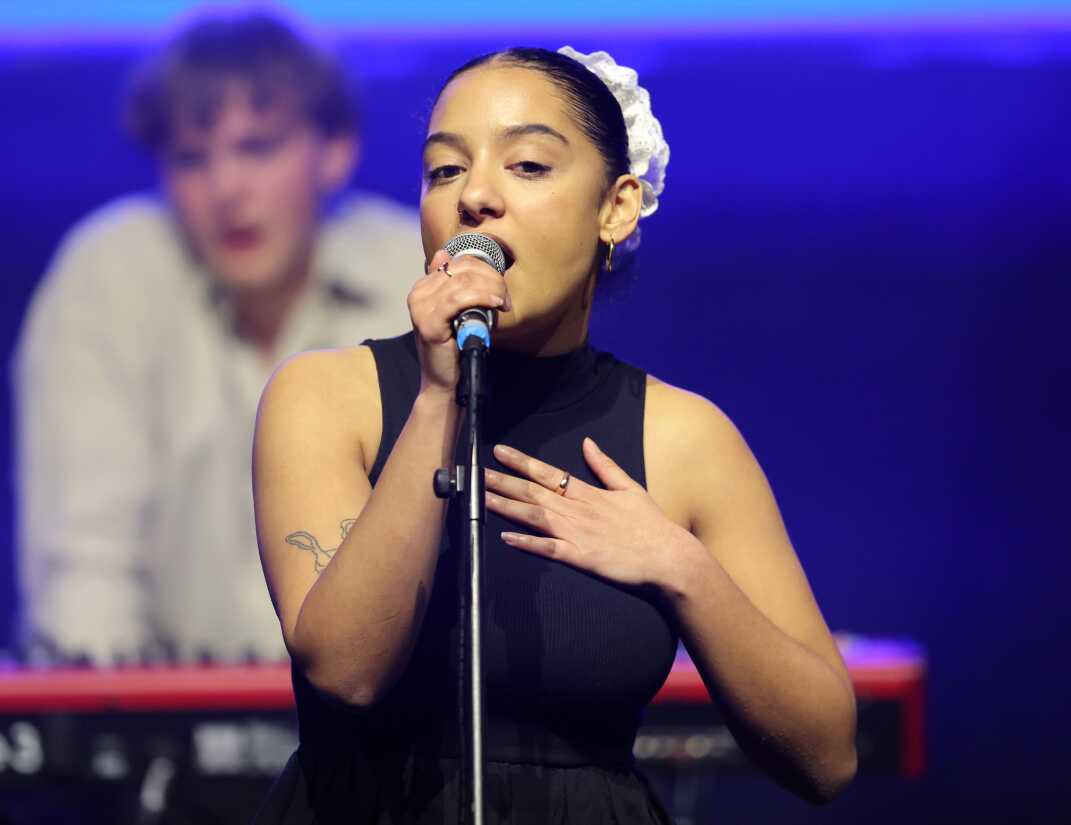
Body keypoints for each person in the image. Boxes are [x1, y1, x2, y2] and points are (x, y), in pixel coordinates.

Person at [251, 46, 857, 822]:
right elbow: (346, 670)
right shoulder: (328, 396)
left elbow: (827, 755)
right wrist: (439, 398)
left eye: (529, 165)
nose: (474, 196)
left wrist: (681, 566)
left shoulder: (683, 437)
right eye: (444, 170)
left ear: (617, 207)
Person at [14, 13, 422, 665]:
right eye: (191, 158)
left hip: (393, 725)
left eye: (258, 148)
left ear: (336, 149)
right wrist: (114, 743)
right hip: (156, 726)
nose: (227, 189)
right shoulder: (108, 276)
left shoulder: (416, 274)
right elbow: (84, 575)